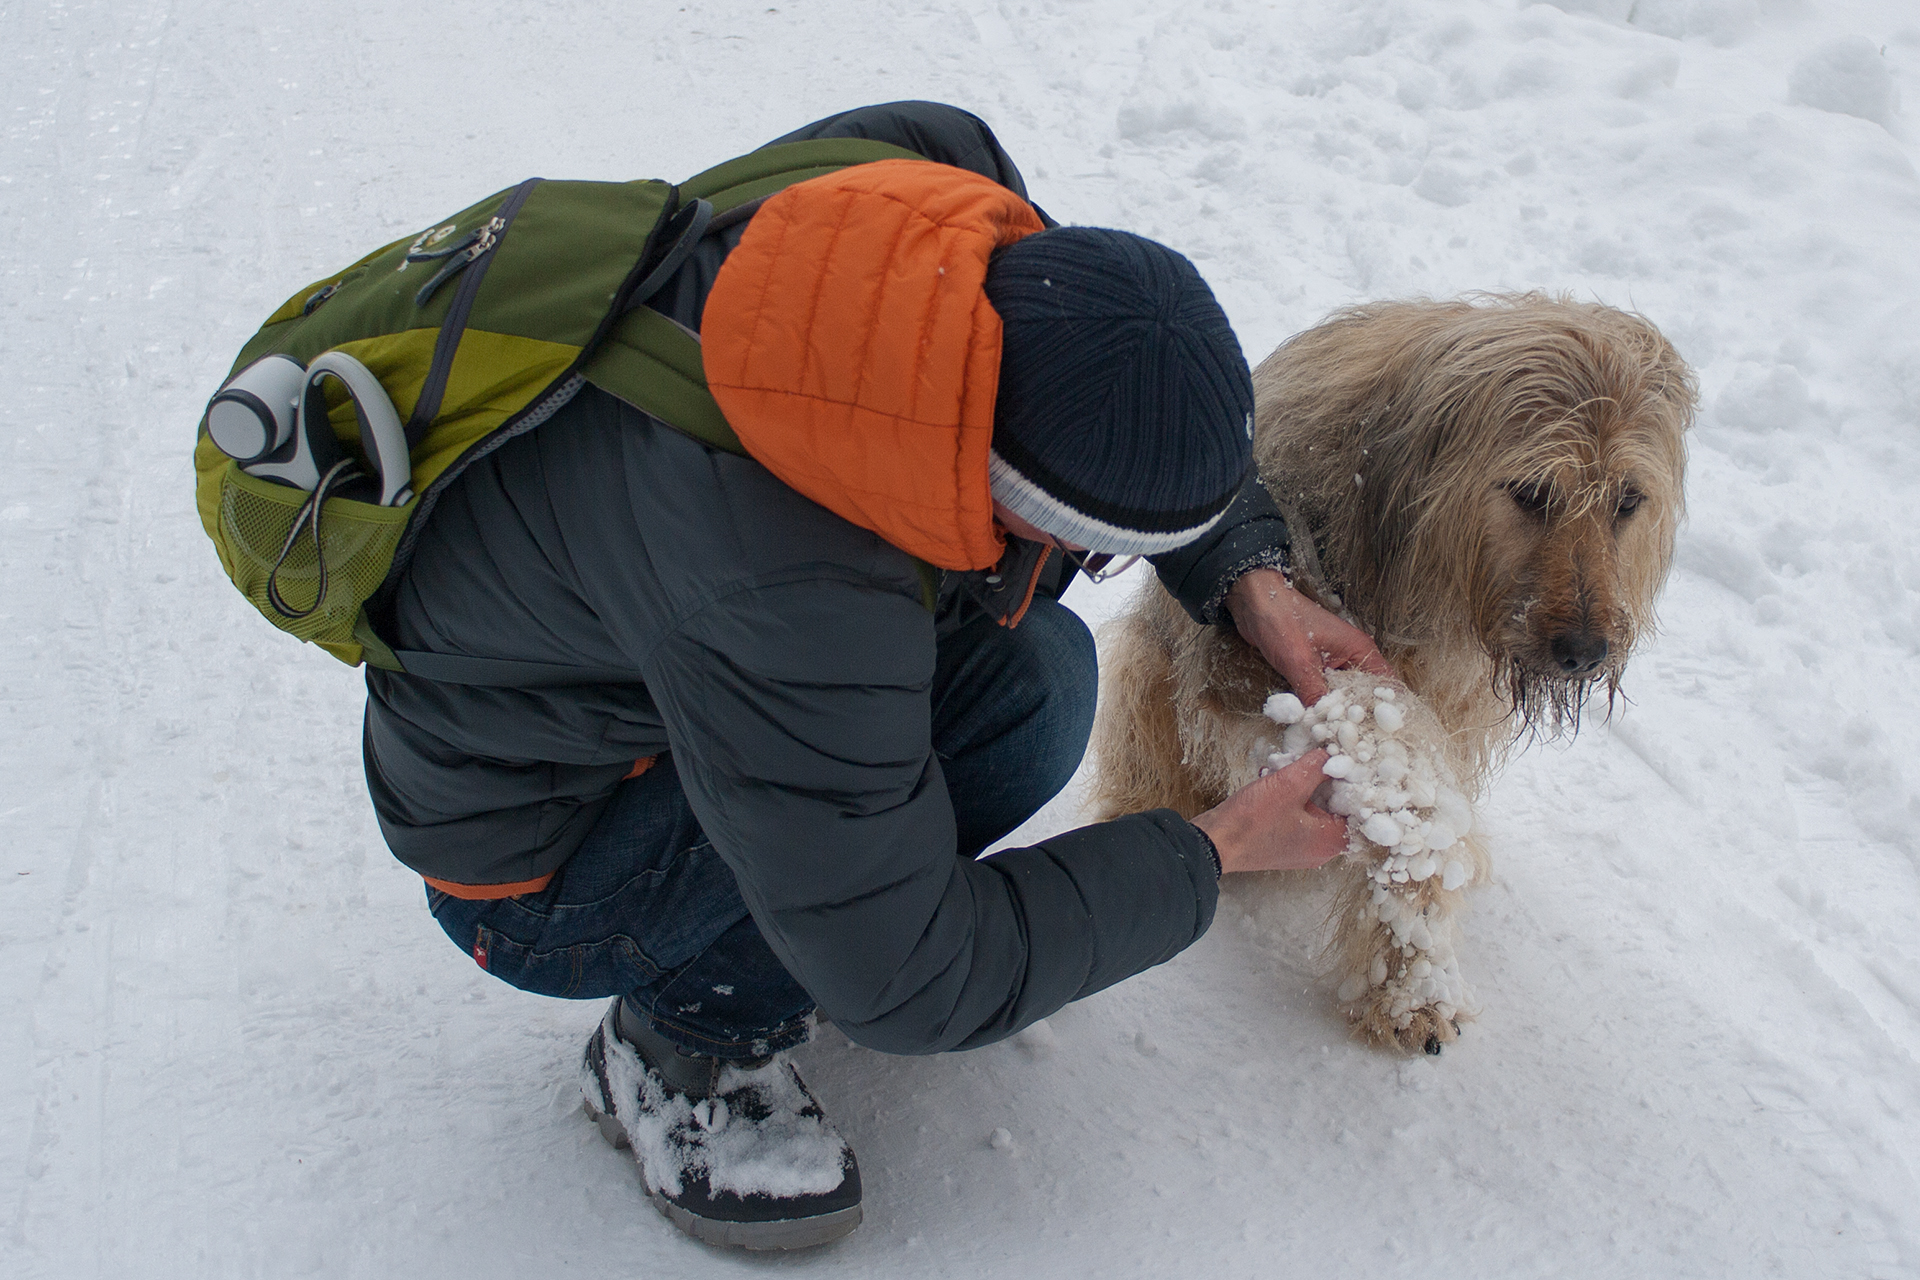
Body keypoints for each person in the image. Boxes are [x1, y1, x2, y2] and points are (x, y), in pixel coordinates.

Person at [360, 102, 1390, 1250]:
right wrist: (1217, 847)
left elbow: (1104, 382)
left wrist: (1250, 574)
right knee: (1023, 701)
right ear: (1018, 494)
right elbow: (912, 980)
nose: (1096, 568)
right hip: (534, 859)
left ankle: (785, 889)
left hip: (658, 646)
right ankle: (681, 1039)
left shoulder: (941, 188)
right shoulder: (785, 590)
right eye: (1092, 545)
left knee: (1029, 665)